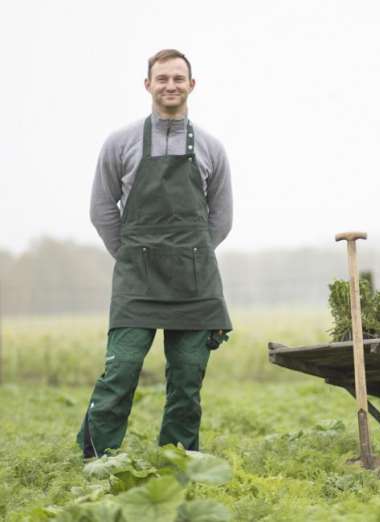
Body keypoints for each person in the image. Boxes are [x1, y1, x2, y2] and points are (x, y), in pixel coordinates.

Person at [77, 49, 233, 458]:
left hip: (194, 282)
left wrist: (190, 254)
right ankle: (97, 460)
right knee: (121, 370)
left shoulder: (212, 149)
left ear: (191, 86)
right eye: (162, 78)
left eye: (178, 79)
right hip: (137, 278)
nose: (170, 86)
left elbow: (221, 218)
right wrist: (131, 253)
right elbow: (101, 209)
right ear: (148, 85)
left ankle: (176, 462)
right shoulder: (120, 143)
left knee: (186, 382)